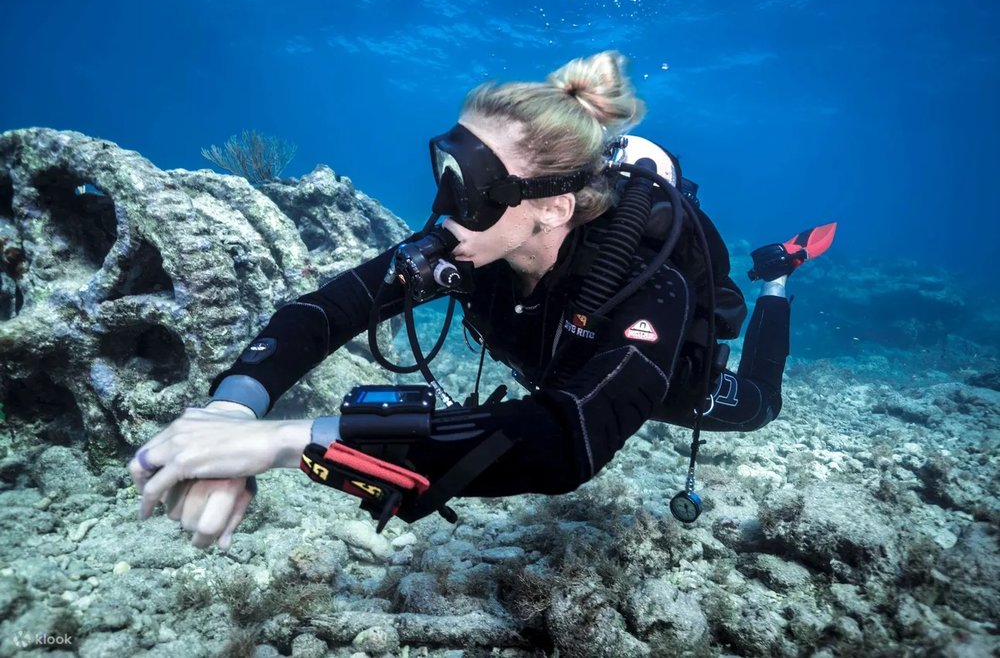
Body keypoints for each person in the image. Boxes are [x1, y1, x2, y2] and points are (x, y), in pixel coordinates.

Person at [128, 51, 834, 549]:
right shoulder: (469, 245)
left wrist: (281, 441)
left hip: (667, 380)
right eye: (445, 170)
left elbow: (566, 445)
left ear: (554, 208)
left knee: (759, 408)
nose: (443, 211)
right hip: (552, 368)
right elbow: (323, 312)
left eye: (468, 187)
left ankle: (778, 277)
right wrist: (230, 410)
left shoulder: (651, 284)